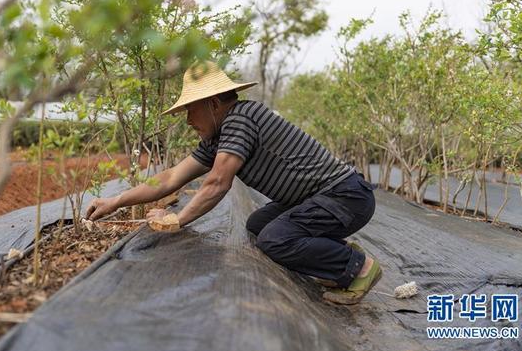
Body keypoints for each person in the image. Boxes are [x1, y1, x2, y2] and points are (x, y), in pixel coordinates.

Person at [85, 61, 381, 305]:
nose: (188, 120)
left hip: (344, 196)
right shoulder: (217, 138)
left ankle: (357, 267)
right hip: (320, 200)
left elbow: (217, 183)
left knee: (274, 239)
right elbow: (171, 177)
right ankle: (333, 251)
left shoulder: (240, 118)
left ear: (213, 104)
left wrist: (178, 218)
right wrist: (116, 200)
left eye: (190, 109)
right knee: (257, 225)